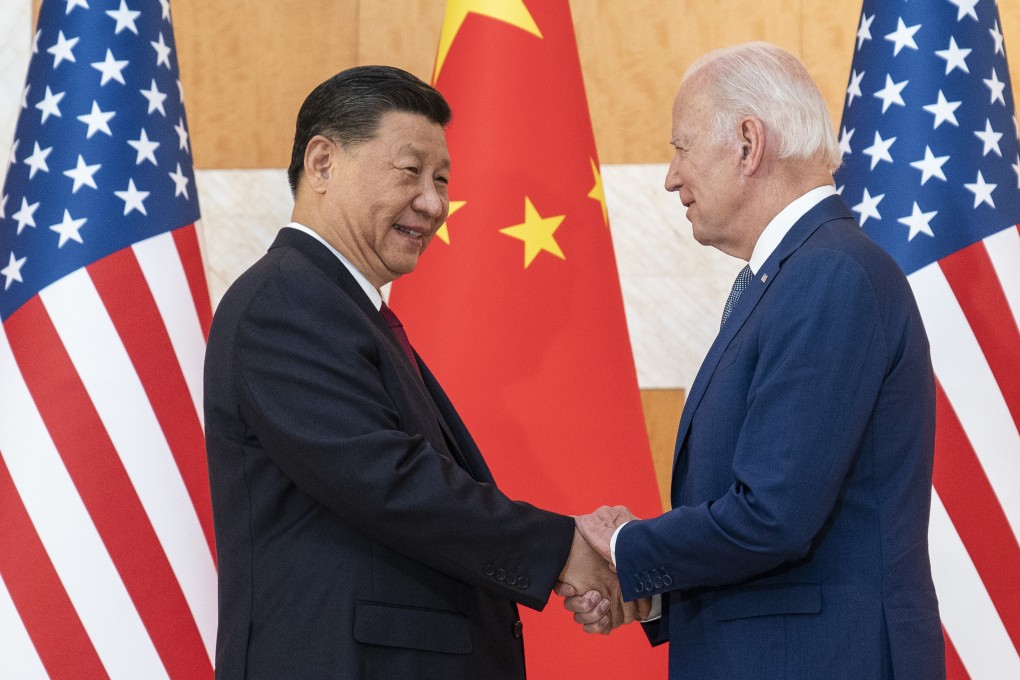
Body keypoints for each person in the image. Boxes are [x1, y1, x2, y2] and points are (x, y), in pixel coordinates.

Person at [204, 65, 630, 679]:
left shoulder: (342, 306)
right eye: (410, 172)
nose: (433, 203)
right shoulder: (282, 303)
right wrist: (563, 550)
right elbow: (389, 482)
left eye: (442, 180)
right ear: (322, 162)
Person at [561, 42, 946, 679]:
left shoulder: (829, 276)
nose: (670, 176)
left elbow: (774, 516)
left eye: (681, 146)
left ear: (747, 143)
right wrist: (653, 590)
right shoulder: (795, 277)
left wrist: (626, 547)